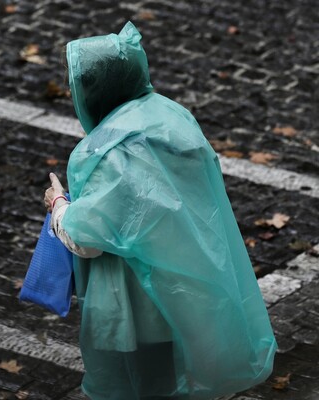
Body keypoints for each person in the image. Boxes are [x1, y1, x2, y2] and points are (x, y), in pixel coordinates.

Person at [43, 21, 276, 400]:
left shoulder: (106, 150)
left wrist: (58, 204)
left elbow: (88, 238)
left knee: (144, 387)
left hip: (135, 306)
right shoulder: (171, 117)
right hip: (182, 289)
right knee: (170, 382)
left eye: (75, 85)